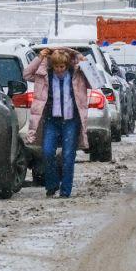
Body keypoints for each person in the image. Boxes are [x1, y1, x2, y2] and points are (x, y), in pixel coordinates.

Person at [23, 48, 90, 198]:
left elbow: (95, 80)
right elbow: (26, 74)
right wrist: (40, 57)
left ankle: (66, 190)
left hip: (71, 120)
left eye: (62, 66)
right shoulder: (44, 76)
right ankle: (52, 185)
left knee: (68, 156)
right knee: (47, 152)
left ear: (67, 65)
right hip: (51, 120)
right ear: (52, 66)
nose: (59, 70)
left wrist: (79, 57)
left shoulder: (77, 75)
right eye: (56, 66)